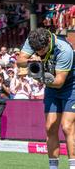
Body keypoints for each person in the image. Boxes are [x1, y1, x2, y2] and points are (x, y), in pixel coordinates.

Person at [16, 28, 75, 169]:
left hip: (70, 86)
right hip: (50, 86)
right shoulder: (34, 39)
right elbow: (20, 61)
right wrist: (31, 61)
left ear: (48, 41)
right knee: (50, 127)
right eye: (36, 51)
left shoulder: (64, 49)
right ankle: (53, 167)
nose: (39, 54)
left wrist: (40, 77)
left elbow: (59, 81)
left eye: (42, 51)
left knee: (67, 127)